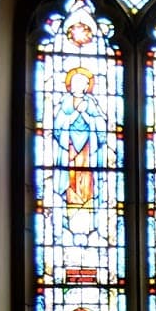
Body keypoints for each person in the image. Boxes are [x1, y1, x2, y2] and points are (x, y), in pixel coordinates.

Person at [53, 66, 107, 239]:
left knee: (87, 185)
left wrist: (87, 117)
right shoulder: (65, 103)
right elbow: (58, 126)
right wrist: (75, 113)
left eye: (82, 83)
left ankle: (87, 220)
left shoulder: (91, 103)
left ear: (86, 87)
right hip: (69, 151)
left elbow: (101, 126)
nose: (79, 86)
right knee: (71, 182)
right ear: (70, 85)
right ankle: (70, 220)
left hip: (87, 152)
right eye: (76, 82)